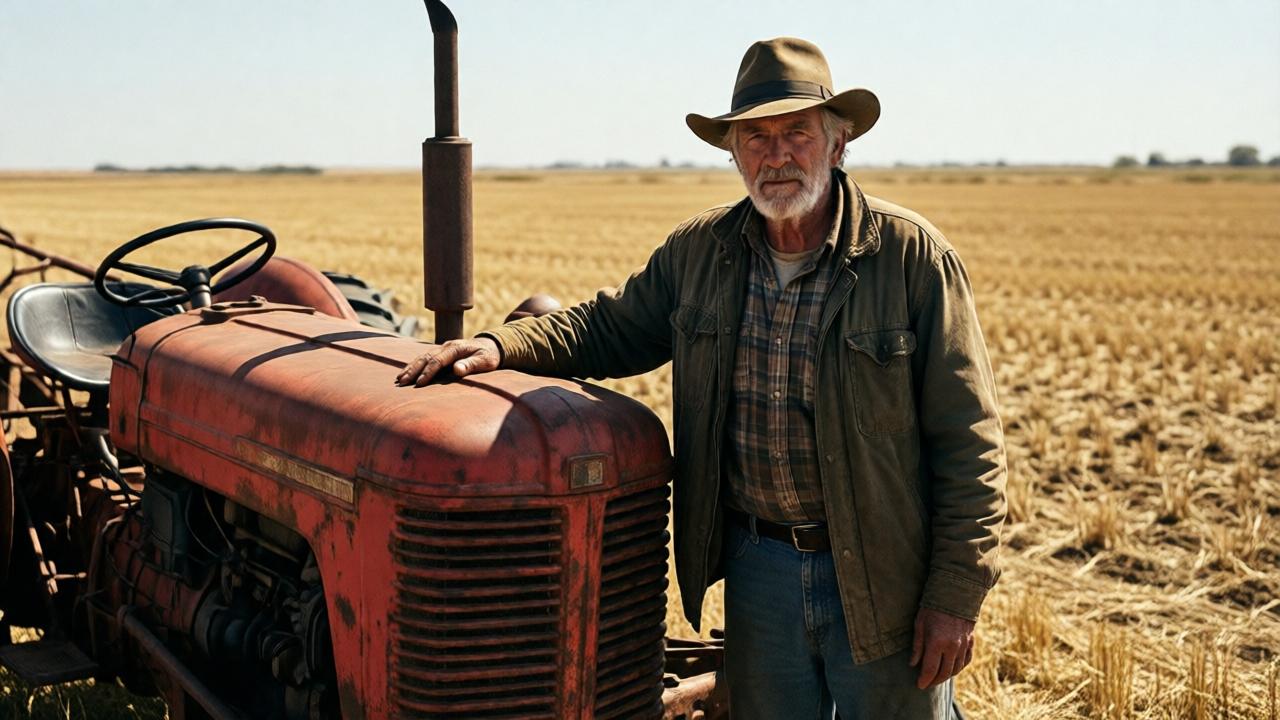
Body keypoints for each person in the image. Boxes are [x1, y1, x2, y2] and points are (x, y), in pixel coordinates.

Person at [397, 37, 1006, 720]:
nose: (776, 155)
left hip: (882, 572)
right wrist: (497, 344)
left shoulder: (909, 258)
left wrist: (955, 596)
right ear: (733, 153)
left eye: (795, 133)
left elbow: (970, 444)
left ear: (837, 145)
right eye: (755, 137)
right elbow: (609, 326)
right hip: (760, 566)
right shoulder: (701, 253)